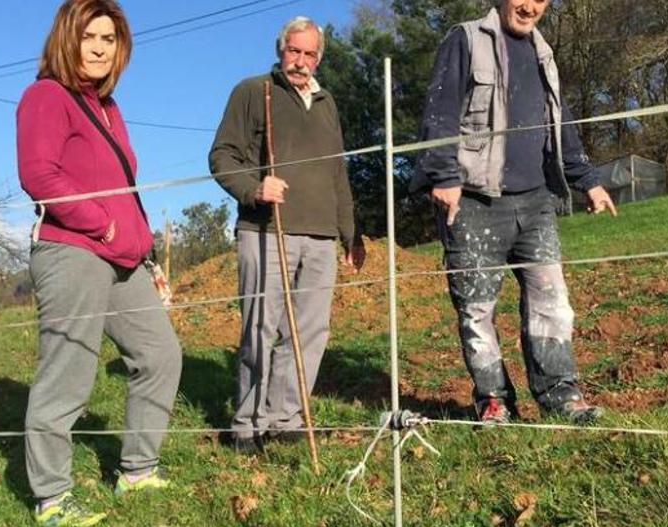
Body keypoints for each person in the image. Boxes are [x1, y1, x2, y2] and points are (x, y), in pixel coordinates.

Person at [17, 0, 182, 527]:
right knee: (69, 372)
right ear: (67, 38)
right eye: (89, 36)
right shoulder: (46, 96)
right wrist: (101, 224)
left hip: (124, 258)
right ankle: (51, 498)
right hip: (72, 249)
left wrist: (146, 252)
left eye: (109, 39)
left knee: (160, 354)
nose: (98, 47)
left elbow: (124, 191)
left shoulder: (109, 109)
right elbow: (39, 175)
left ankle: (136, 469)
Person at [414, 0, 616, 424]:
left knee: (552, 303)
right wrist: (444, 174)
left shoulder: (544, 51)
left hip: (536, 200)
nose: (531, 6)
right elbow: (441, 111)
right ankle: (494, 401)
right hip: (473, 201)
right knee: (477, 311)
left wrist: (588, 180)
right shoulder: (466, 39)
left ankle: (560, 395)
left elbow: (560, 122)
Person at [209, 16, 365, 454]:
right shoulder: (253, 91)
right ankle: (247, 423)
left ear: (319, 58)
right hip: (265, 229)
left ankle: (286, 417)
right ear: (281, 50)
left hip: (320, 236)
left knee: (312, 331)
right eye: (294, 51)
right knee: (261, 327)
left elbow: (338, 170)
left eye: (309, 54)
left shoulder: (327, 102)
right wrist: (253, 187)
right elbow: (222, 155)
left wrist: (349, 232)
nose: (301, 61)